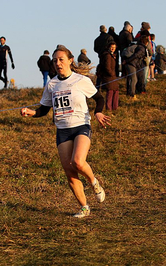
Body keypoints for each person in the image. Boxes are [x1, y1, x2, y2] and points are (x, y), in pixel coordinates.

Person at [21, 46, 111, 218]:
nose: (57, 63)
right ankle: (84, 207)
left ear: (70, 60)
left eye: (61, 59)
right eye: (55, 61)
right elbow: (44, 109)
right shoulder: (52, 84)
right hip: (62, 130)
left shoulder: (81, 80)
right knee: (70, 172)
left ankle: (94, 182)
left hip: (81, 126)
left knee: (77, 162)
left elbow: (98, 98)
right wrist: (31, 113)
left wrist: (98, 112)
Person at [99, 42, 119, 111]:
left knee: (115, 91)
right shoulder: (107, 55)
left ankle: (114, 108)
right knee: (110, 92)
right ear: (109, 47)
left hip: (112, 76)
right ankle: (109, 108)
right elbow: (107, 67)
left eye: (114, 47)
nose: (113, 49)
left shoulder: (112, 55)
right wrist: (111, 74)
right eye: (111, 47)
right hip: (109, 77)